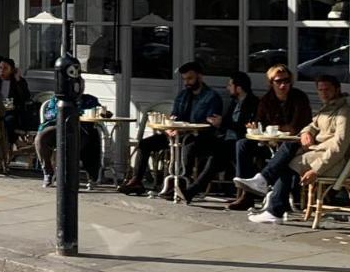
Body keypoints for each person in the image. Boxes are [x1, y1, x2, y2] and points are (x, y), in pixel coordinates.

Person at [236, 74, 350, 224]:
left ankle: (273, 206)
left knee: (287, 164)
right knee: (289, 146)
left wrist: (317, 170)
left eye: (327, 89)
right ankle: (264, 183)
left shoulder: (344, 114)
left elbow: (339, 148)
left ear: (338, 89)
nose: (323, 93)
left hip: (337, 162)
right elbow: (313, 124)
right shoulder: (327, 108)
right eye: (320, 90)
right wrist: (306, 133)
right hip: (319, 152)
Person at [118, 60, 222, 196]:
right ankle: (137, 180)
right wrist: (169, 127)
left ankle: (180, 184)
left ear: (199, 76)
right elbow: (175, 116)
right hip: (176, 134)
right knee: (145, 144)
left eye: (190, 78)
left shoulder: (212, 97)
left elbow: (210, 123)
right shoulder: (183, 95)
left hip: (198, 136)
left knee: (187, 146)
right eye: (184, 79)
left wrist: (188, 129)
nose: (187, 82)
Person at [226, 64, 314, 210]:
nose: (283, 85)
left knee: (288, 146)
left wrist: (275, 129)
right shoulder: (266, 100)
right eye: (278, 81)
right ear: (271, 83)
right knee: (242, 144)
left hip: (293, 145)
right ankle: (245, 195)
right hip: (270, 143)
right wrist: (256, 128)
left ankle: (264, 181)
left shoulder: (299, 98)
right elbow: (260, 122)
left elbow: (297, 126)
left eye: (286, 81)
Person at [181, 71, 259, 203]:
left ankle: (192, 190)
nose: (228, 88)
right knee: (192, 144)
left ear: (238, 88)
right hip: (225, 140)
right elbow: (227, 123)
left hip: (239, 143)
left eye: (230, 85)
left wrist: (223, 122)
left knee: (215, 157)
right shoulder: (235, 102)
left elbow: (246, 127)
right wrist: (217, 123)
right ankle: (182, 181)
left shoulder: (252, 103)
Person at [34, 93, 104, 188]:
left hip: (80, 128)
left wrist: (79, 112)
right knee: (42, 137)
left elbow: (98, 113)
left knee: (80, 140)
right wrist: (61, 110)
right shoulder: (56, 99)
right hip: (57, 126)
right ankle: (48, 172)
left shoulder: (89, 100)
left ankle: (70, 175)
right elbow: (48, 114)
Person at [0, 57, 32, 134]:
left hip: (12, 112)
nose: (2, 70)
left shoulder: (17, 81)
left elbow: (26, 97)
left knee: (9, 121)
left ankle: (11, 142)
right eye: (0, 68)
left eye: (5, 68)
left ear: (12, 70)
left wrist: (18, 79)